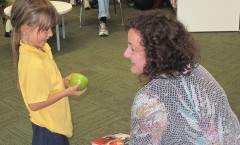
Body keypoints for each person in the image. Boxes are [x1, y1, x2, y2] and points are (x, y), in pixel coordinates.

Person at [124, 9, 240, 145]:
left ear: (155, 54)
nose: (126, 54)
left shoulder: (148, 100)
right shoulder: (197, 71)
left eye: (133, 49)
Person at [10, 0, 87, 144]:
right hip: (48, 130)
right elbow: (35, 103)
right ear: (26, 28)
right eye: (45, 29)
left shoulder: (40, 47)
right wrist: (67, 92)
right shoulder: (33, 62)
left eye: (51, 28)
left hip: (55, 123)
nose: (51, 33)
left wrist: (62, 82)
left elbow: (45, 83)